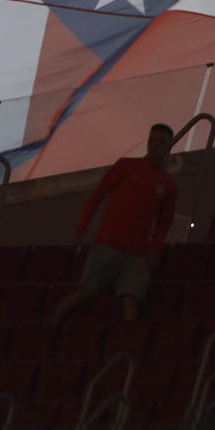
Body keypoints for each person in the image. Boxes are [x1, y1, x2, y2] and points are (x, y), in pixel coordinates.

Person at [47, 123, 179, 322]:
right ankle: (51, 322)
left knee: (131, 299)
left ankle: (125, 344)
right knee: (85, 291)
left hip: (138, 252)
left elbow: (164, 223)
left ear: (169, 146)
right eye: (152, 140)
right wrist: (81, 228)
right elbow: (97, 196)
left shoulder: (168, 184)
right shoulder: (126, 167)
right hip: (109, 243)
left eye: (161, 142)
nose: (155, 145)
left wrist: (153, 252)